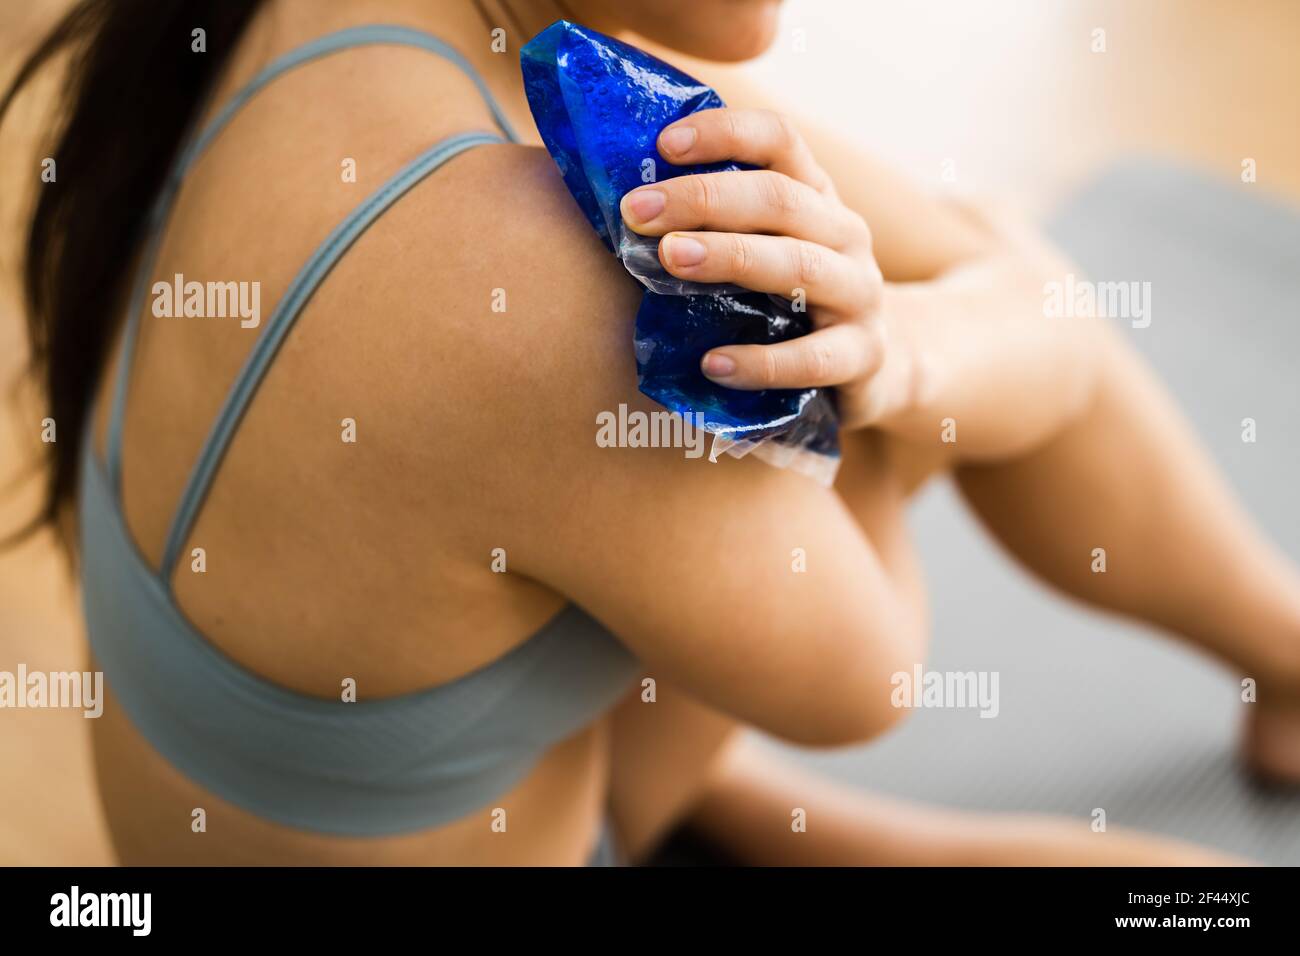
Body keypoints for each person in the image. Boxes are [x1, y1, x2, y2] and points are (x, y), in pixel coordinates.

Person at [3, 0, 1295, 865]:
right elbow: (868, 680)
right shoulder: (518, 292)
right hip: (601, 817)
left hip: (497, 784)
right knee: (945, 317)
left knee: (926, 272)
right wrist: (928, 359)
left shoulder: (323, 28)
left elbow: (943, 250)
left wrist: (946, 317)